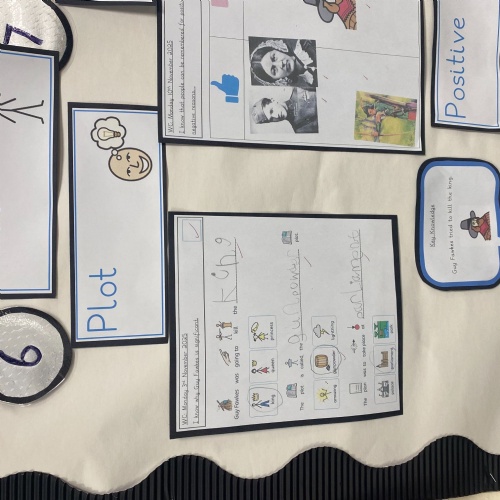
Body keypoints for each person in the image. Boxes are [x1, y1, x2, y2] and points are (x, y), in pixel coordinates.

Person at [250, 38, 317, 88]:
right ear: (276, 80)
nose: (281, 64)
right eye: (274, 70)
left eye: (274, 57)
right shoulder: (309, 82)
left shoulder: (306, 43)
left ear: (277, 49)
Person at [251, 87, 318, 134]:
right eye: (271, 119)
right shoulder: (299, 129)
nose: (276, 116)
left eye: (271, 111)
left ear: (273, 100)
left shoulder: (298, 89)